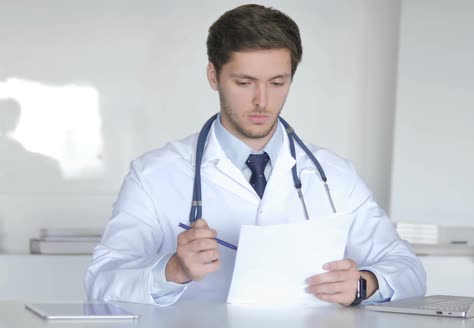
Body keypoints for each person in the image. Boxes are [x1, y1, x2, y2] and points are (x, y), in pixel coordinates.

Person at [85, 4, 426, 306]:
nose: (262, 100)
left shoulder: (333, 175)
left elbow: (408, 269)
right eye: (245, 82)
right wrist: (171, 270)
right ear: (213, 76)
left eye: (277, 83)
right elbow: (100, 282)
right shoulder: (154, 174)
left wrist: (365, 284)